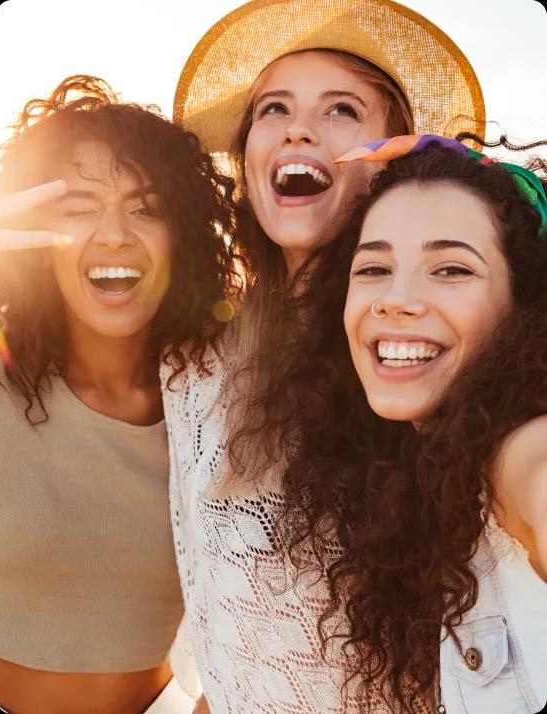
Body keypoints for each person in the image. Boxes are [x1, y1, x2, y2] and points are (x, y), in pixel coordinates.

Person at [164, 0, 485, 711]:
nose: (299, 128)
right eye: (273, 109)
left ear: (395, 160)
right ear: (246, 155)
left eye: (341, 110)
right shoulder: (190, 360)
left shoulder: (420, 348)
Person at [273, 134, 547, 712]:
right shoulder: (422, 473)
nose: (395, 299)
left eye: (449, 269)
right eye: (373, 267)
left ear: (522, 304)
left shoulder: (518, 450)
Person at [0, 75, 237, 714]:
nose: (113, 234)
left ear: (182, 235)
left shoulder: (222, 404)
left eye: (146, 207)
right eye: (78, 206)